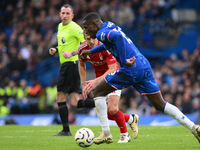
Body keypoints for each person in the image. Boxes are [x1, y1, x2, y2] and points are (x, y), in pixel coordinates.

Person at [80, 12, 200, 143]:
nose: (85, 31)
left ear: (94, 24)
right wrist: (91, 51)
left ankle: (106, 133)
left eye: (86, 27)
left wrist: (124, 60)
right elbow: (110, 42)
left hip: (131, 68)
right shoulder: (109, 25)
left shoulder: (99, 33)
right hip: (143, 65)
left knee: (98, 91)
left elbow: (118, 37)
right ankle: (193, 128)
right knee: (160, 104)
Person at [77, 32, 139, 143]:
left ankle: (125, 135)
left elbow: (112, 68)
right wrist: (83, 84)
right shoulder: (82, 48)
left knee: (113, 109)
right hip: (101, 81)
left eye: (93, 38)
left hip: (114, 77)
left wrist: (95, 81)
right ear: (84, 38)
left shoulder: (105, 46)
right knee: (109, 115)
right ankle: (130, 119)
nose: (91, 41)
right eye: (88, 39)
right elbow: (81, 64)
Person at [49, 4, 85, 136]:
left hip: (71, 64)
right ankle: (101, 103)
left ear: (72, 15)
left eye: (67, 13)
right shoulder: (59, 26)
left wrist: (73, 52)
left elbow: (86, 42)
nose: (64, 16)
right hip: (70, 65)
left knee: (60, 98)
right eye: (63, 13)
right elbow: (63, 44)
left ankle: (65, 130)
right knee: (75, 102)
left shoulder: (75, 28)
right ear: (59, 14)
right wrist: (56, 49)